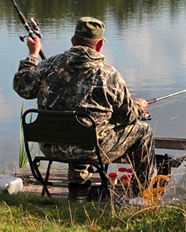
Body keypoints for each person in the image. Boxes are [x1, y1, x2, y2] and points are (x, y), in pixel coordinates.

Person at [13, 16, 156, 197]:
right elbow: (127, 117)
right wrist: (139, 106)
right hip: (91, 150)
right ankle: (143, 195)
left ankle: (79, 188)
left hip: (51, 147)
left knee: (80, 126)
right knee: (143, 131)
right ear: (99, 45)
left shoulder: (48, 65)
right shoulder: (109, 75)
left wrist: (33, 55)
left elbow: (22, 88)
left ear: (73, 41)